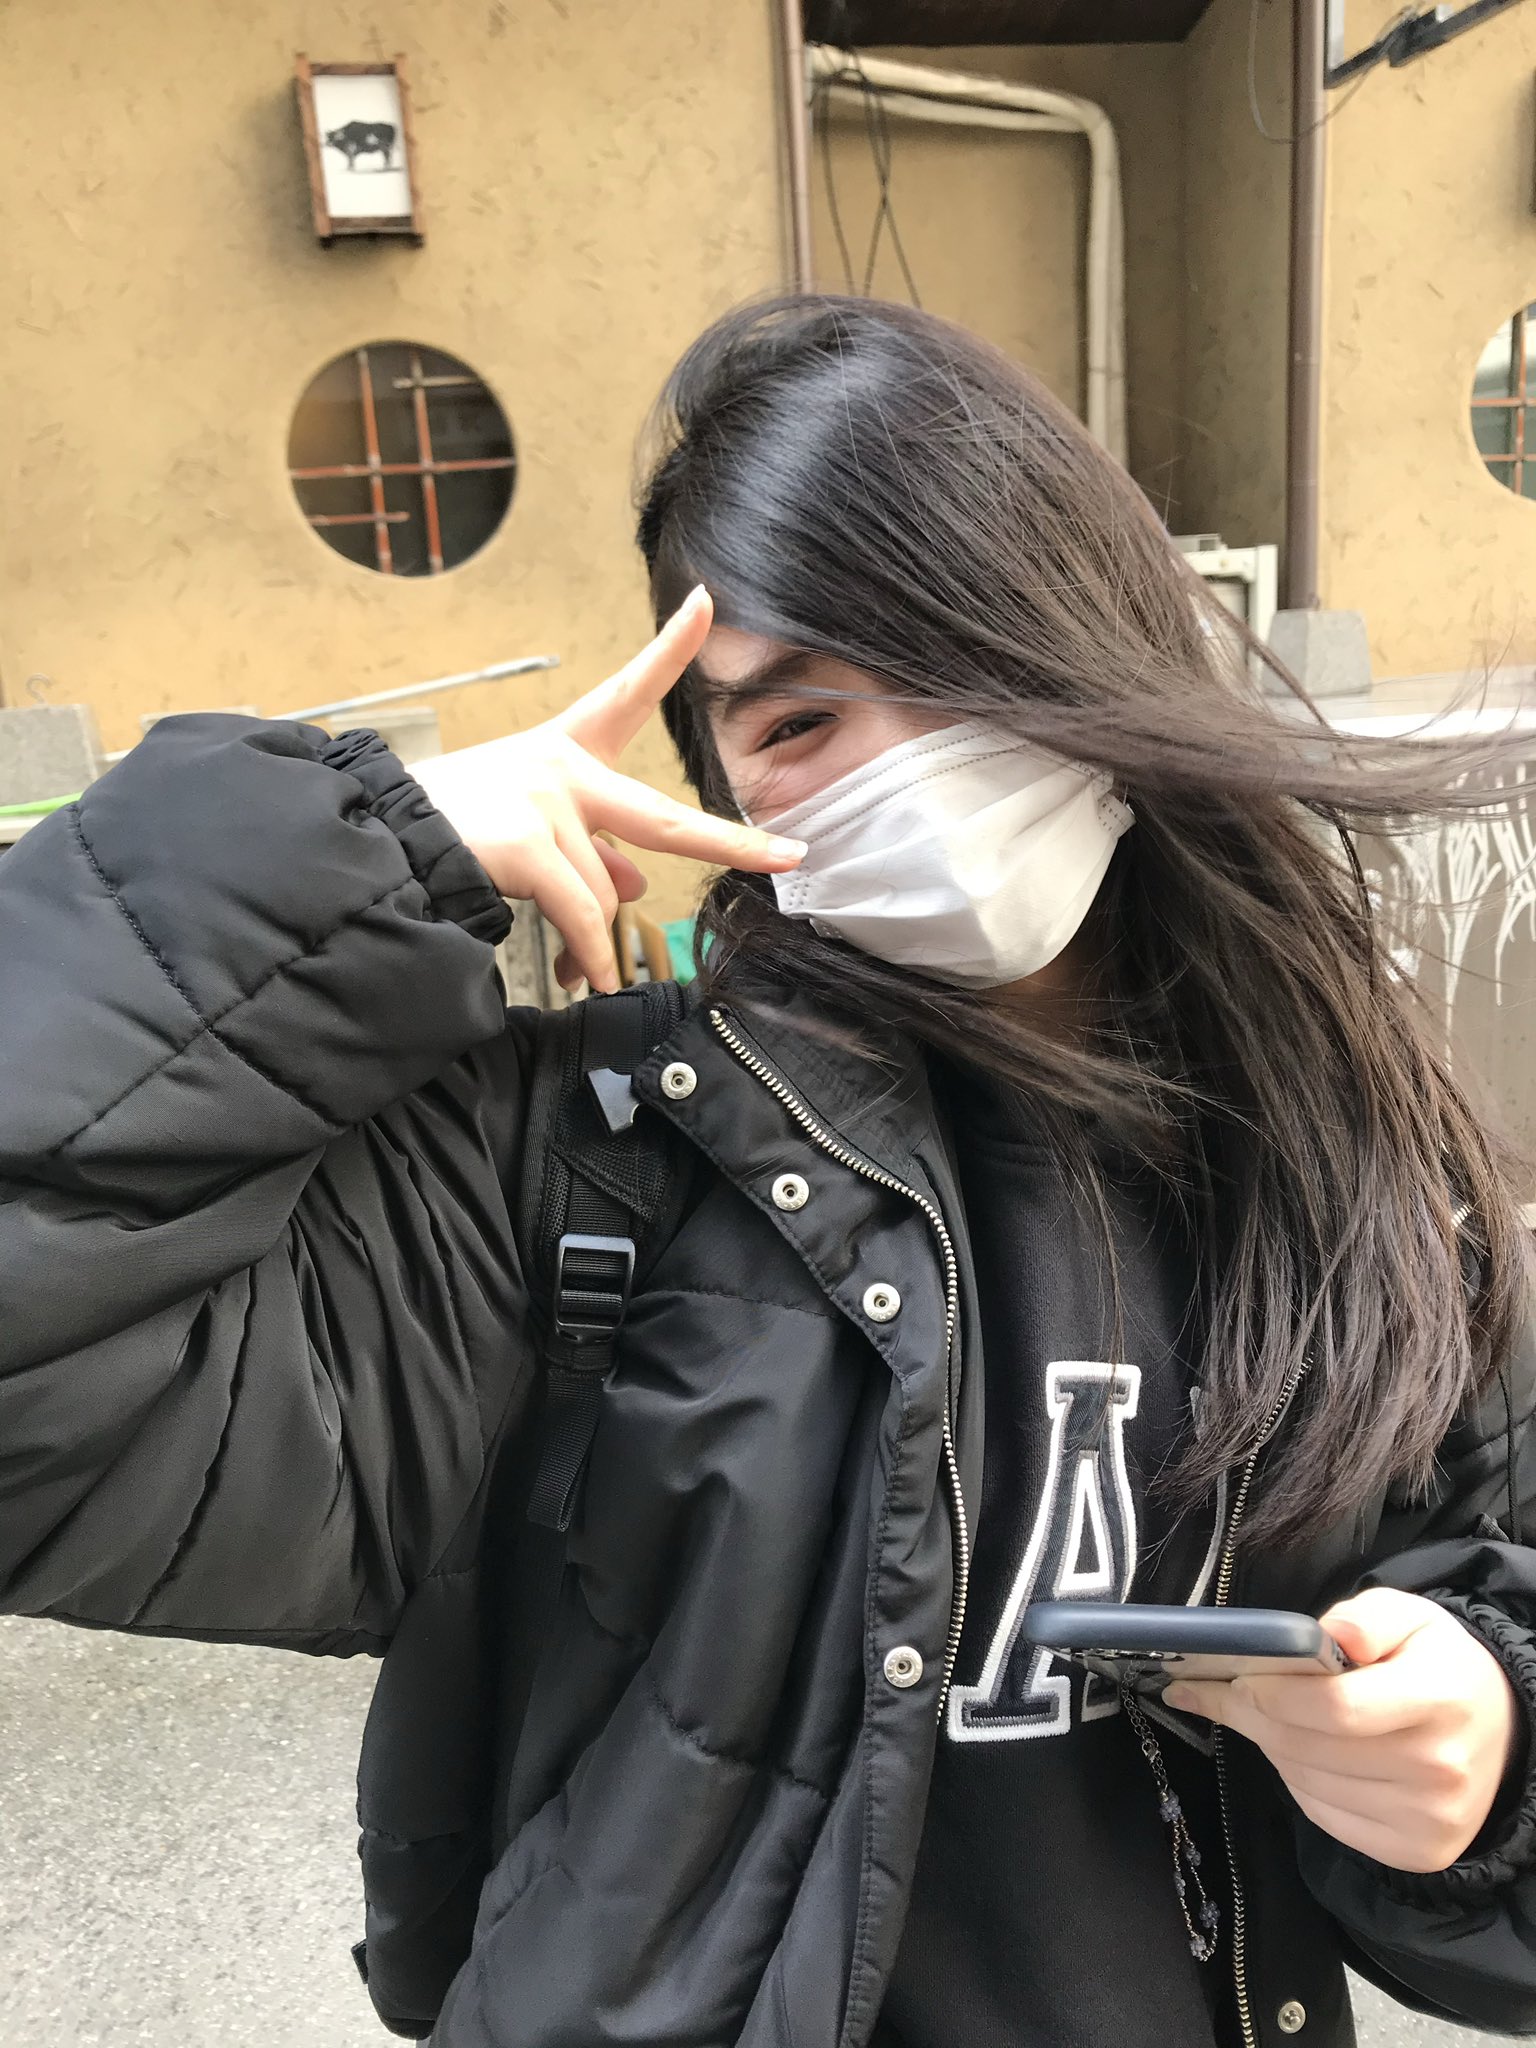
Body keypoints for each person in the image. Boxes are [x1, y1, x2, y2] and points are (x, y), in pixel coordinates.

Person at [3, 295, 1535, 2048]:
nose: (903, 766)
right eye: (794, 722)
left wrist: (1489, 1735)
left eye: (954, 659)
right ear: (714, 790)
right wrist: (346, 857)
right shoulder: (584, 1161)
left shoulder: (1347, 1161)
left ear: (1098, 645)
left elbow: (1492, 1603)